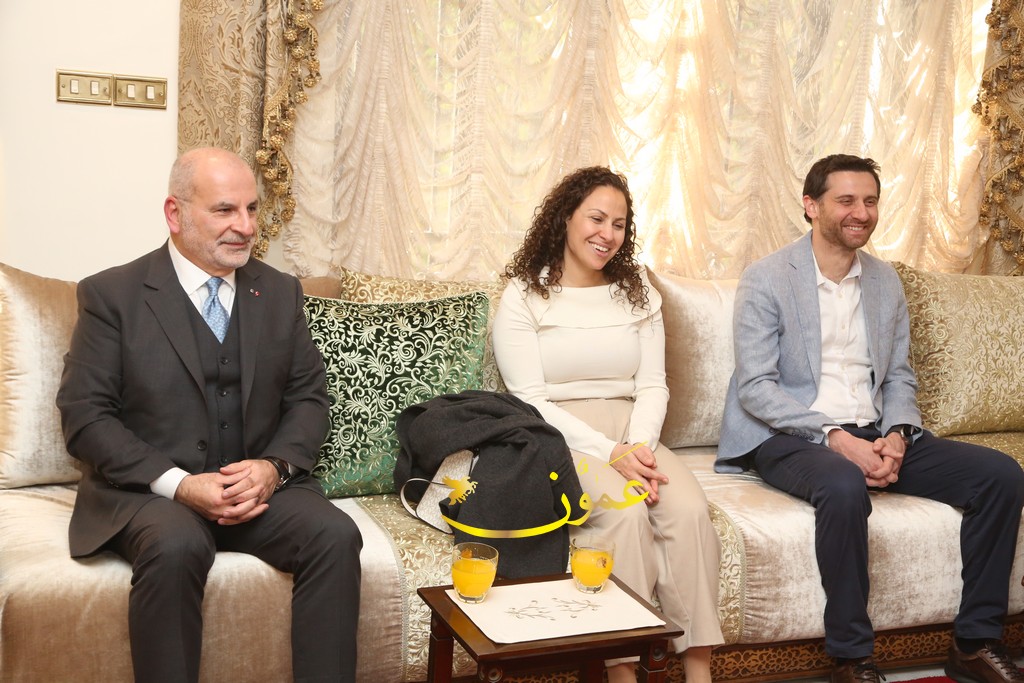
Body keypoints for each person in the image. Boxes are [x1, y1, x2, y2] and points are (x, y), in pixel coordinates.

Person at [56, 147, 362, 683]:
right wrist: (179, 485)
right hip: (152, 497)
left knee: (335, 535)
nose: (245, 226)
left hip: (257, 494)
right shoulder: (112, 295)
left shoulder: (280, 291)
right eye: (225, 210)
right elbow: (86, 418)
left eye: (251, 209)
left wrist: (273, 468)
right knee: (176, 545)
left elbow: (309, 398)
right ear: (175, 214)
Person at [718, 153, 1024, 683]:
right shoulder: (767, 278)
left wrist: (898, 436)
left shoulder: (884, 281)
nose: (861, 212)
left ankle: (974, 643)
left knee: (1001, 475)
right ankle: (852, 657)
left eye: (870, 201)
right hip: (791, 434)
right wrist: (835, 438)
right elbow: (756, 387)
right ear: (811, 206)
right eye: (846, 200)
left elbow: (899, 375)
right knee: (842, 484)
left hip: (874, 429)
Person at [492, 166, 724, 683]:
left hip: (634, 429)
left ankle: (699, 670)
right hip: (560, 436)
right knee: (625, 512)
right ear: (565, 218)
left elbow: (654, 385)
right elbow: (529, 400)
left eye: (619, 224)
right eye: (596, 218)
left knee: (688, 510)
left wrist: (635, 447)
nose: (607, 234)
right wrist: (610, 453)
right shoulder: (524, 296)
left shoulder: (636, 292)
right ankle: (620, 671)